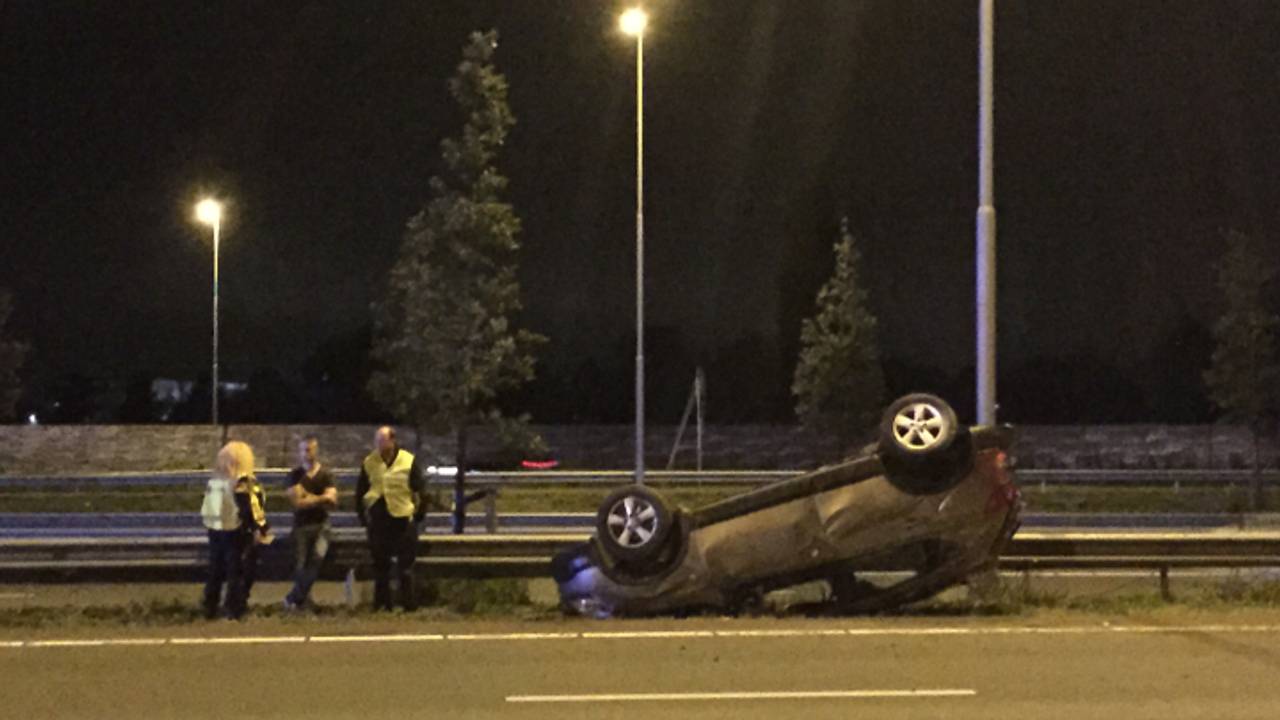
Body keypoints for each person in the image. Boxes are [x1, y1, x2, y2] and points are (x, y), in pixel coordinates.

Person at [356, 426, 429, 611]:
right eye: (377, 441)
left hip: (402, 519)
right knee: (381, 567)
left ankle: (409, 606)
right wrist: (363, 519)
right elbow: (360, 492)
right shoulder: (369, 462)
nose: (379, 445)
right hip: (379, 521)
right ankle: (382, 605)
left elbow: (421, 490)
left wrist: (419, 515)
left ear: (392, 440)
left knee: (405, 567)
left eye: (382, 441)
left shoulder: (408, 461)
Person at [200, 441, 273, 619]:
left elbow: (208, 510)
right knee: (238, 572)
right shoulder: (244, 483)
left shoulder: (215, 483)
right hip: (237, 532)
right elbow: (253, 509)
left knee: (215, 570)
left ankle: (210, 606)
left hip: (216, 531)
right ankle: (235, 608)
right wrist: (261, 529)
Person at [283, 436, 337, 611]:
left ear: (316, 450)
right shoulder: (294, 475)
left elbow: (333, 501)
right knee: (301, 565)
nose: (308, 453)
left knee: (317, 558)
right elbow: (298, 502)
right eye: (304, 450)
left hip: (322, 525)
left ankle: (293, 598)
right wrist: (322, 498)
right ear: (299, 453)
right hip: (301, 526)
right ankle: (301, 602)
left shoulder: (326, 475)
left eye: (311, 449)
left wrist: (309, 497)